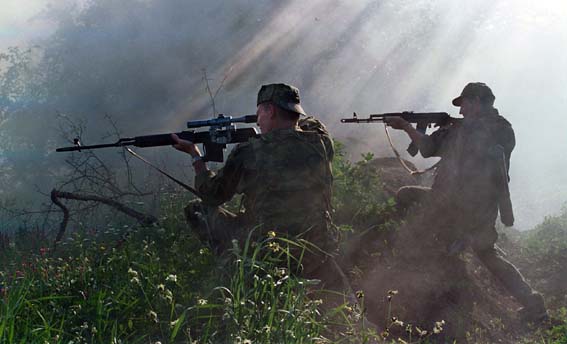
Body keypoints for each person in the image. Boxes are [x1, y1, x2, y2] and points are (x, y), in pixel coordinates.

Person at [384, 82, 548, 323]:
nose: (461, 111)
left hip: (452, 206)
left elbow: (428, 149)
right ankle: (533, 304)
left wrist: (408, 127)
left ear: (478, 102)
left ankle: (415, 253)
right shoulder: (504, 129)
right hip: (483, 211)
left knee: (405, 195)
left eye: (465, 105)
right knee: (488, 254)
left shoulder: (463, 131)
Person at [171, 83, 337, 281]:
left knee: (196, 210)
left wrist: (195, 156)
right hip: (315, 248)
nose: (257, 121)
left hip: (269, 250)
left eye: (259, 113)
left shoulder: (248, 151)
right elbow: (313, 125)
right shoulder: (321, 143)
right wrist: (290, 125)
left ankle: (234, 266)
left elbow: (211, 195)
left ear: (271, 111)